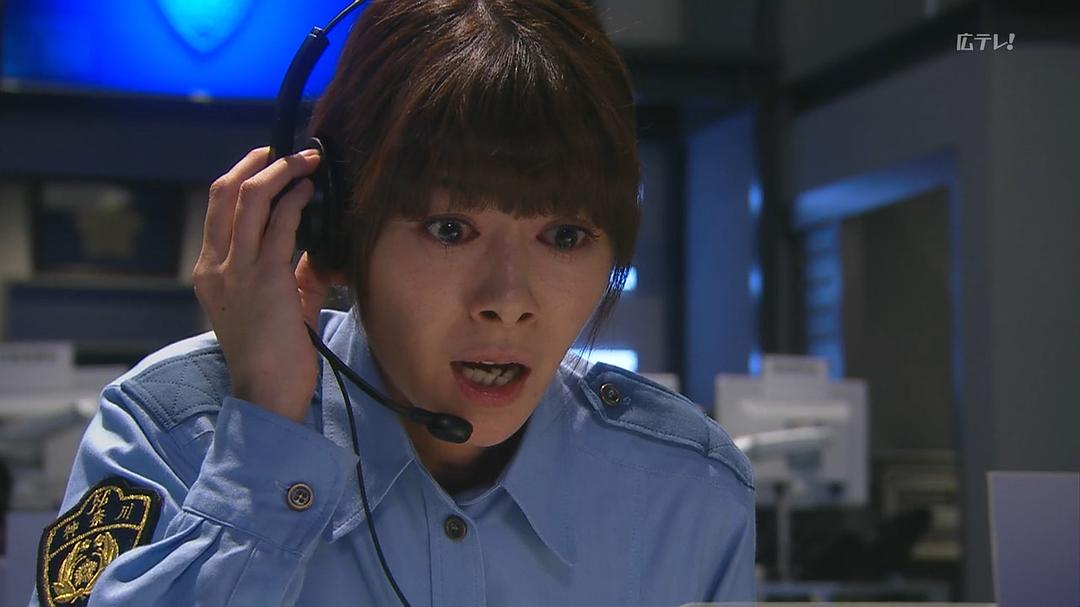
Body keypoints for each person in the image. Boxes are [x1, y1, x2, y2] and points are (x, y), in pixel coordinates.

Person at [32, 1, 755, 605]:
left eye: (565, 236)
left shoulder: (687, 491)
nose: (508, 302)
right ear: (336, 229)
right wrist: (265, 437)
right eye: (450, 229)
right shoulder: (173, 433)